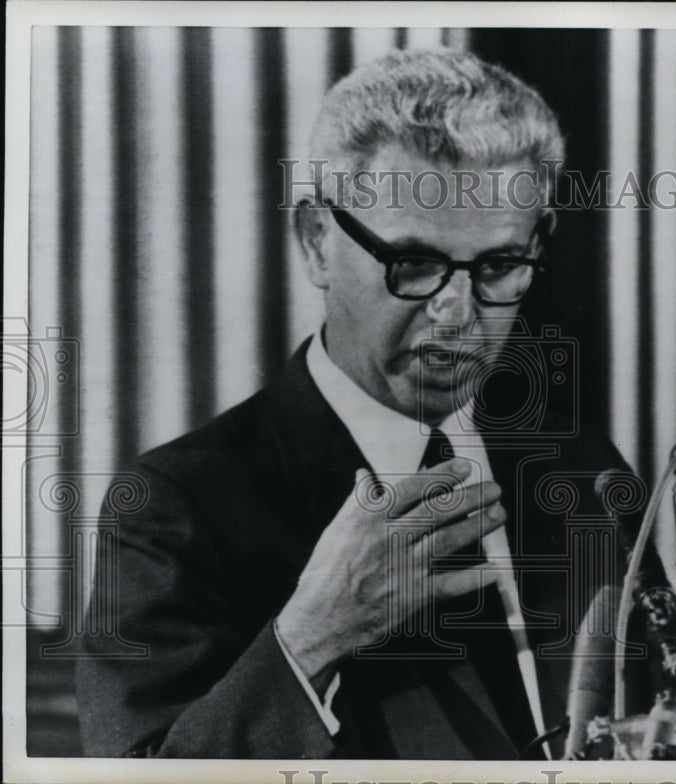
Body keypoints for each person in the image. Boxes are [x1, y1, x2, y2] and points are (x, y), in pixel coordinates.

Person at [76, 48, 628, 760]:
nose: (458, 314)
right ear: (316, 242)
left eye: (497, 266)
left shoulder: (586, 471)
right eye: (415, 264)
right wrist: (309, 637)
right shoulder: (177, 508)